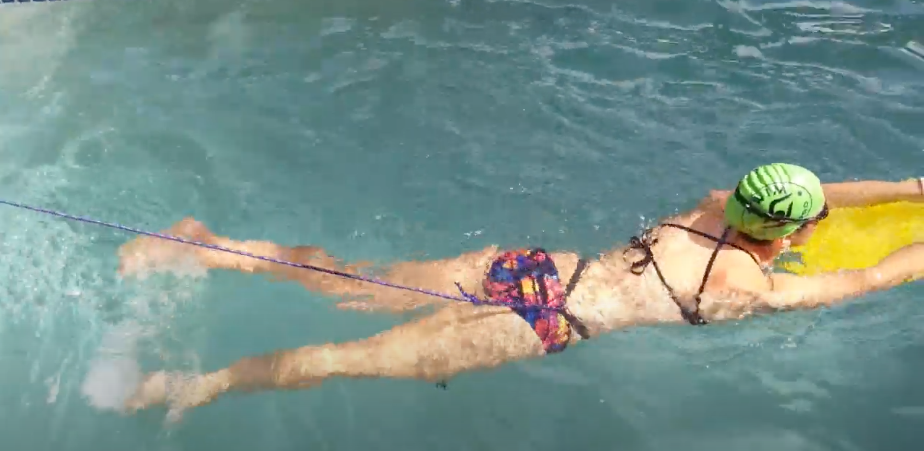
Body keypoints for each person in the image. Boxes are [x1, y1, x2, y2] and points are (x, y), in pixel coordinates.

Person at [117, 163, 924, 415]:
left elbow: (816, 196)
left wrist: (904, 184)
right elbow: (875, 273)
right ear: (790, 235)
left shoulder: (707, 209)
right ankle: (203, 383)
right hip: (538, 325)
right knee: (339, 357)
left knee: (354, 283)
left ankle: (212, 247)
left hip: (536, 267)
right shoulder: (752, 290)